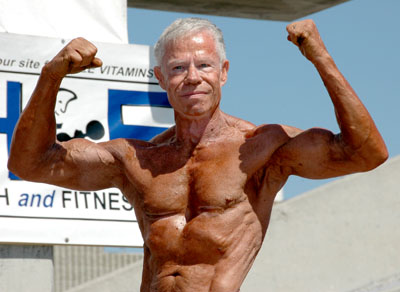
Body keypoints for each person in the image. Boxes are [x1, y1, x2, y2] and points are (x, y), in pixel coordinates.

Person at [8, 18, 387, 292]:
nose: (192, 76)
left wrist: (320, 58)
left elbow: (366, 153)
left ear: (223, 72)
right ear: (160, 79)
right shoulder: (137, 159)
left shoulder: (264, 149)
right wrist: (51, 75)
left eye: (204, 65)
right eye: (178, 68)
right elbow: (30, 163)